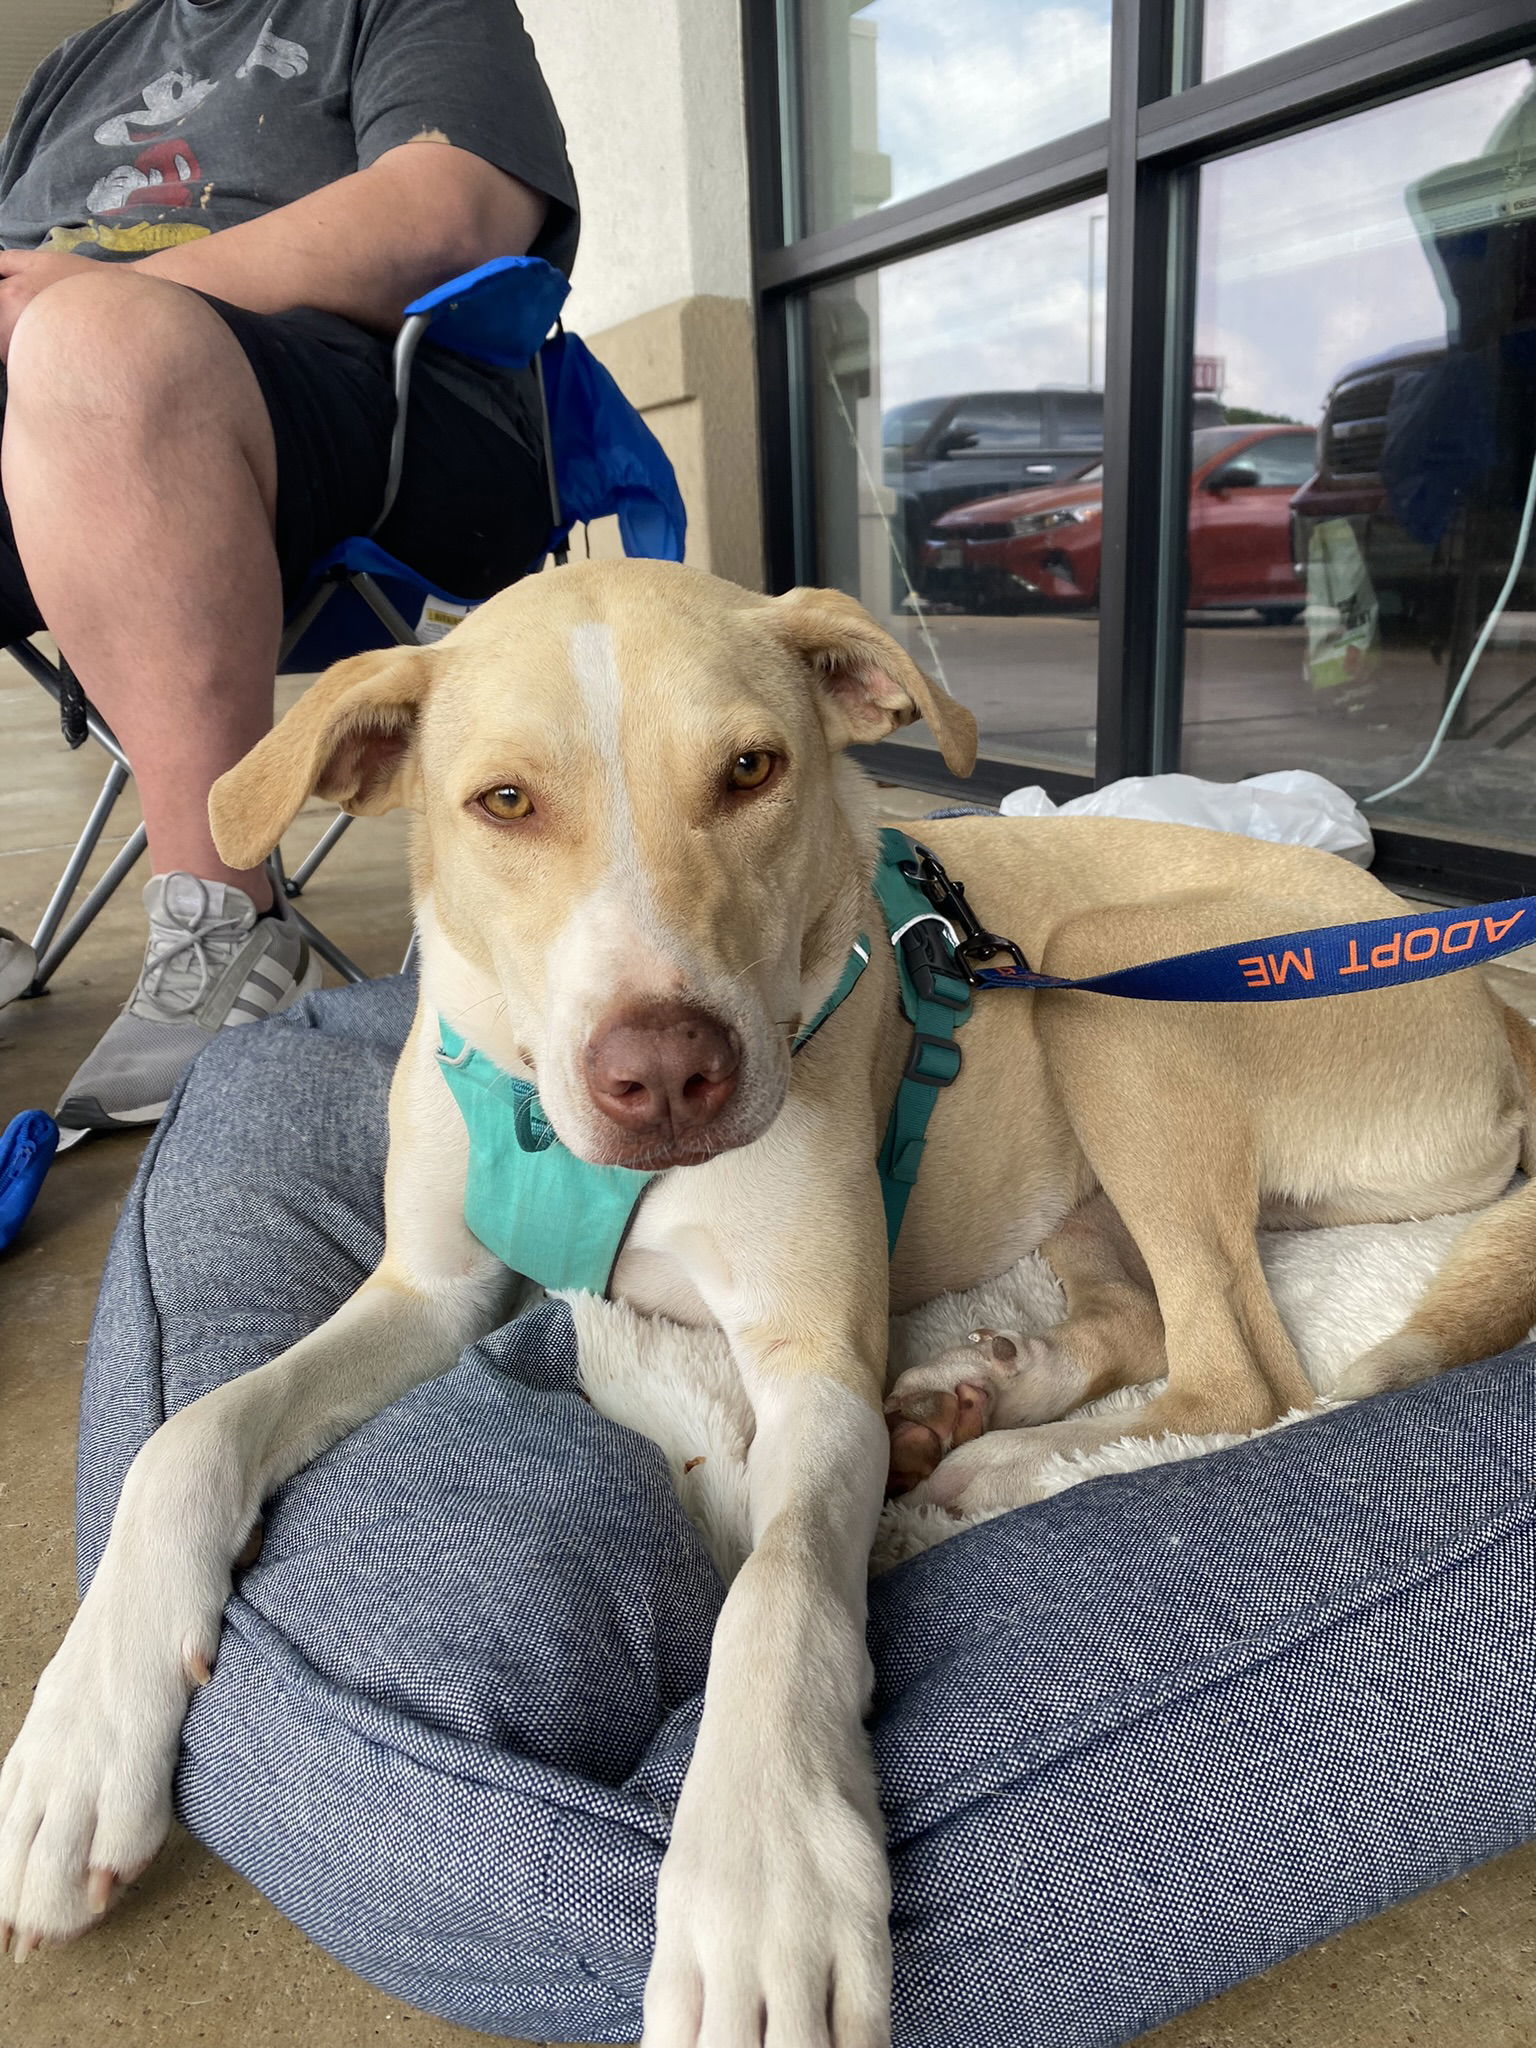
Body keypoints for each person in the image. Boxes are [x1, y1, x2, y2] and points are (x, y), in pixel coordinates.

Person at [0, 0, 577, 1138]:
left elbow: (454, 210)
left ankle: (224, 911)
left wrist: (86, 301)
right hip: (47, 432)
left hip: (366, 411)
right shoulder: (75, 66)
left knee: (97, 343)